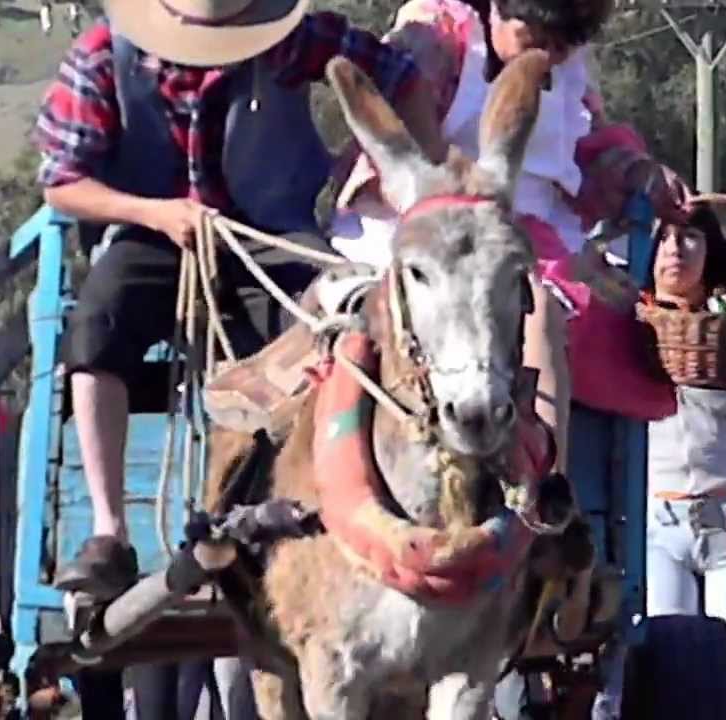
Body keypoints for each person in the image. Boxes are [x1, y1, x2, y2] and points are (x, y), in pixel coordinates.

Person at [32, 1, 443, 717]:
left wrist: (402, 169)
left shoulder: (293, 39)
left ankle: (301, 516)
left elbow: (400, 75)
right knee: (96, 327)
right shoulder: (104, 54)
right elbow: (63, 181)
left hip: (271, 240)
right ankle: (108, 529)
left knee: (326, 334)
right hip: (153, 235)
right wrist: (157, 213)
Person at [331, 0, 690, 467]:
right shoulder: (437, 36)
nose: (552, 53)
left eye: (566, 43)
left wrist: (639, 170)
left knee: (625, 319)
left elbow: (588, 143)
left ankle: (564, 472)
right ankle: (543, 471)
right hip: (431, 227)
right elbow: (406, 138)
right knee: (537, 309)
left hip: (535, 235)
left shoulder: (569, 74)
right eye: (538, 35)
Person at [597, 204, 726, 720]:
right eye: (664, 237)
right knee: (664, 687)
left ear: (710, 250)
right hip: (655, 529)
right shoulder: (629, 326)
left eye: (690, 237)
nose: (675, 248)